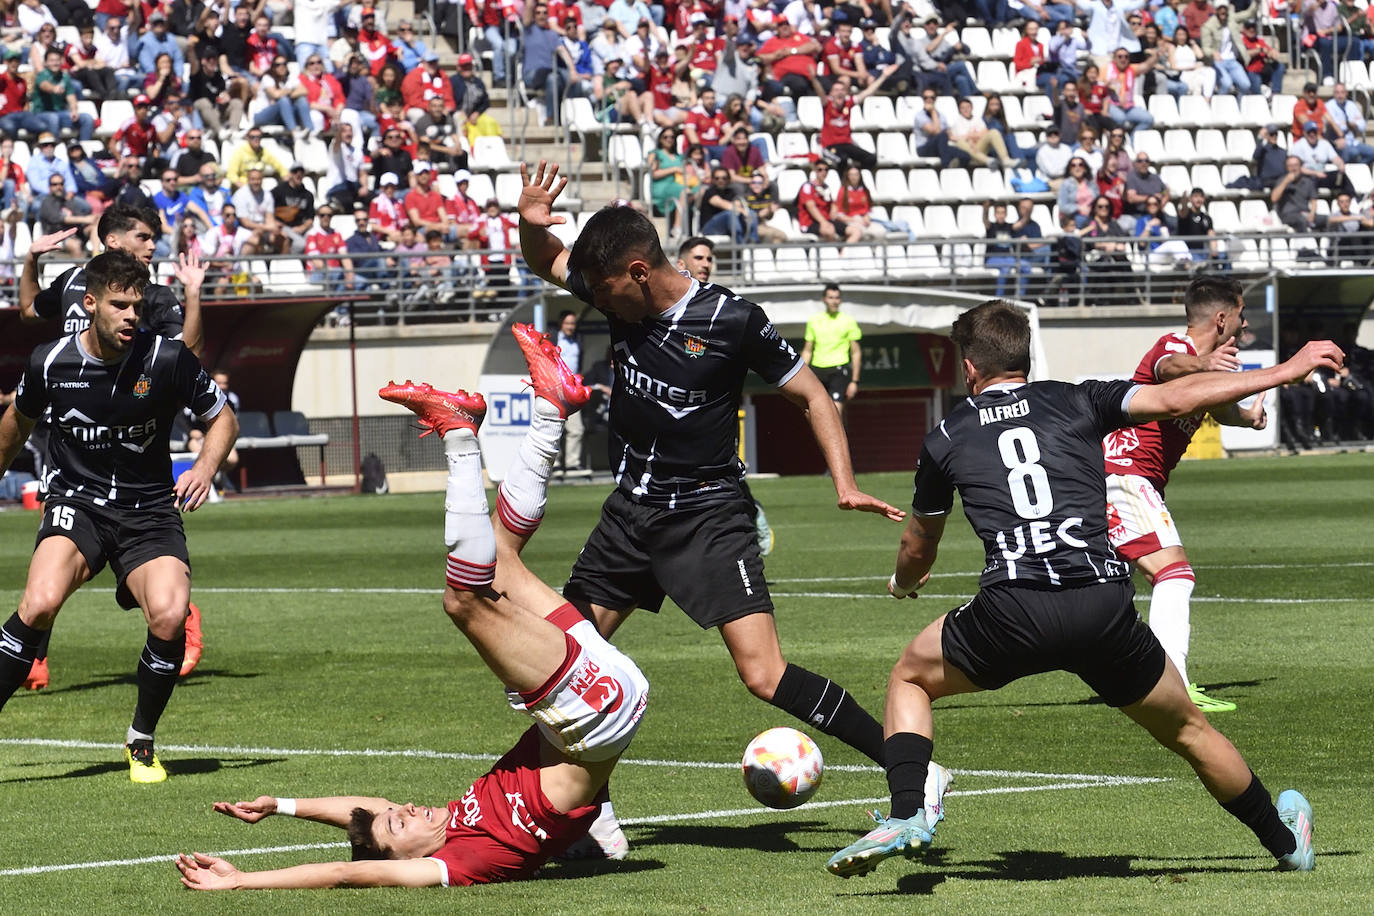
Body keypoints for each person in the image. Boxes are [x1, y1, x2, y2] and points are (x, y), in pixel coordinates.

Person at [518, 160, 949, 853]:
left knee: (763, 674)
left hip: (707, 514)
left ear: (636, 270)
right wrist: (530, 222)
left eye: (603, 290)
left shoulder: (732, 320)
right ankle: (583, 811)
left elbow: (812, 394)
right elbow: (544, 258)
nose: (596, 302)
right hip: (629, 513)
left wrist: (844, 481)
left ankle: (915, 771)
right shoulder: (611, 291)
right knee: (566, 660)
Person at [825, 298, 1332, 878]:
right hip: (1101, 606)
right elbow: (1173, 399)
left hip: (1013, 611)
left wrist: (902, 582)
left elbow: (919, 546)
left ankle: (908, 813)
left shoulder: (946, 434)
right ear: (1027, 356)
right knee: (1191, 729)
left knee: (910, 677)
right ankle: (1286, 845)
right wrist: (1287, 370)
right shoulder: (1076, 397)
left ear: (970, 369)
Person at [175, 374, 650, 890]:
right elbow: (343, 871)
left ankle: (551, 411)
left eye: (398, 812)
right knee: (462, 599)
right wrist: (243, 880)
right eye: (401, 823)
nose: (405, 809)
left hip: (596, 701)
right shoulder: (464, 859)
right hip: (592, 717)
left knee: (499, 559)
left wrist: (282, 806)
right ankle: (459, 435)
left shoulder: (448, 821)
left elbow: (372, 812)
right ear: (405, 860)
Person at [0, 251, 237, 782]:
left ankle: (142, 741)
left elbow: (223, 417)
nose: (132, 316)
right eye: (119, 305)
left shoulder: (167, 358)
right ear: (91, 304)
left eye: (137, 306)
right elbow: (15, 425)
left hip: (149, 511)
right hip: (76, 505)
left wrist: (204, 465)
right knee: (37, 604)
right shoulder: (50, 361)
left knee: (171, 616)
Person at [17, 204, 210, 686]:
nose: (153, 246)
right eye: (145, 237)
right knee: (50, 566)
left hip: (128, 452)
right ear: (115, 241)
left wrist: (192, 295)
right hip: (72, 440)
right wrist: (31, 262)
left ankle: (171, 608)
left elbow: (187, 359)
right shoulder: (72, 284)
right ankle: (35, 653)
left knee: (100, 558)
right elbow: (26, 311)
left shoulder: (153, 297)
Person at [1105, 277, 1266, 712]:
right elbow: (1169, 369)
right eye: (1241, 314)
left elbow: (1217, 406)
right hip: (1123, 474)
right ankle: (1171, 686)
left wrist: (1249, 418)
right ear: (1221, 318)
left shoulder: (1202, 361)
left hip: (1122, 477)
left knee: (1098, 589)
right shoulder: (1175, 346)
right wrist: (1205, 364)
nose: (1243, 322)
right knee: (1174, 574)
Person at [801, 283, 863, 421]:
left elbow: (856, 352)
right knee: (815, 412)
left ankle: (837, 441)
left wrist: (855, 381)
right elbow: (807, 350)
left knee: (835, 411)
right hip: (817, 368)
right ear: (824, 299)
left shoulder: (848, 321)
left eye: (837, 298)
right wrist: (802, 374)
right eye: (831, 297)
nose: (834, 301)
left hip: (838, 369)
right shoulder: (814, 320)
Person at [553, 310, 586, 473]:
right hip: (555, 390)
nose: (571, 327)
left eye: (573, 323)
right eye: (568, 323)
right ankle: (556, 464)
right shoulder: (554, 338)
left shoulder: (578, 340)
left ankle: (572, 463)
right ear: (561, 324)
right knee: (555, 429)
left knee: (576, 429)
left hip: (572, 390)